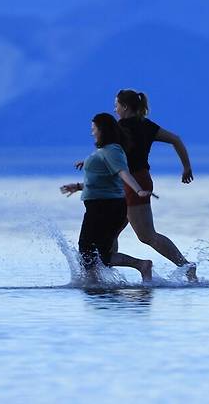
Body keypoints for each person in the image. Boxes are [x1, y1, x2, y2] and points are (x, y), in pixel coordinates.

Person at [113, 89, 198, 281]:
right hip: (132, 181)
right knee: (110, 232)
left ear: (125, 107)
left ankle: (186, 266)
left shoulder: (120, 128)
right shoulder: (147, 125)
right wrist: (186, 168)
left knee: (146, 235)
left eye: (116, 105)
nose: (114, 108)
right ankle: (105, 277)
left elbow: (107, 155)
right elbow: (176, 139)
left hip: (134, 182)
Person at [60, 113, 153, 282]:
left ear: (102, 130)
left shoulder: (113, 150)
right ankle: (95, 282)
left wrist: (138, 190)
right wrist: (79, 186)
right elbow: (102, 179)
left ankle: (140, 265)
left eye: (93, 129)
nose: (92, 133)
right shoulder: (106, 151)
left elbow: (123, 172)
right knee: (97, 252)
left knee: (88, 250)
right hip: (102, 206)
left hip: (106, 208)